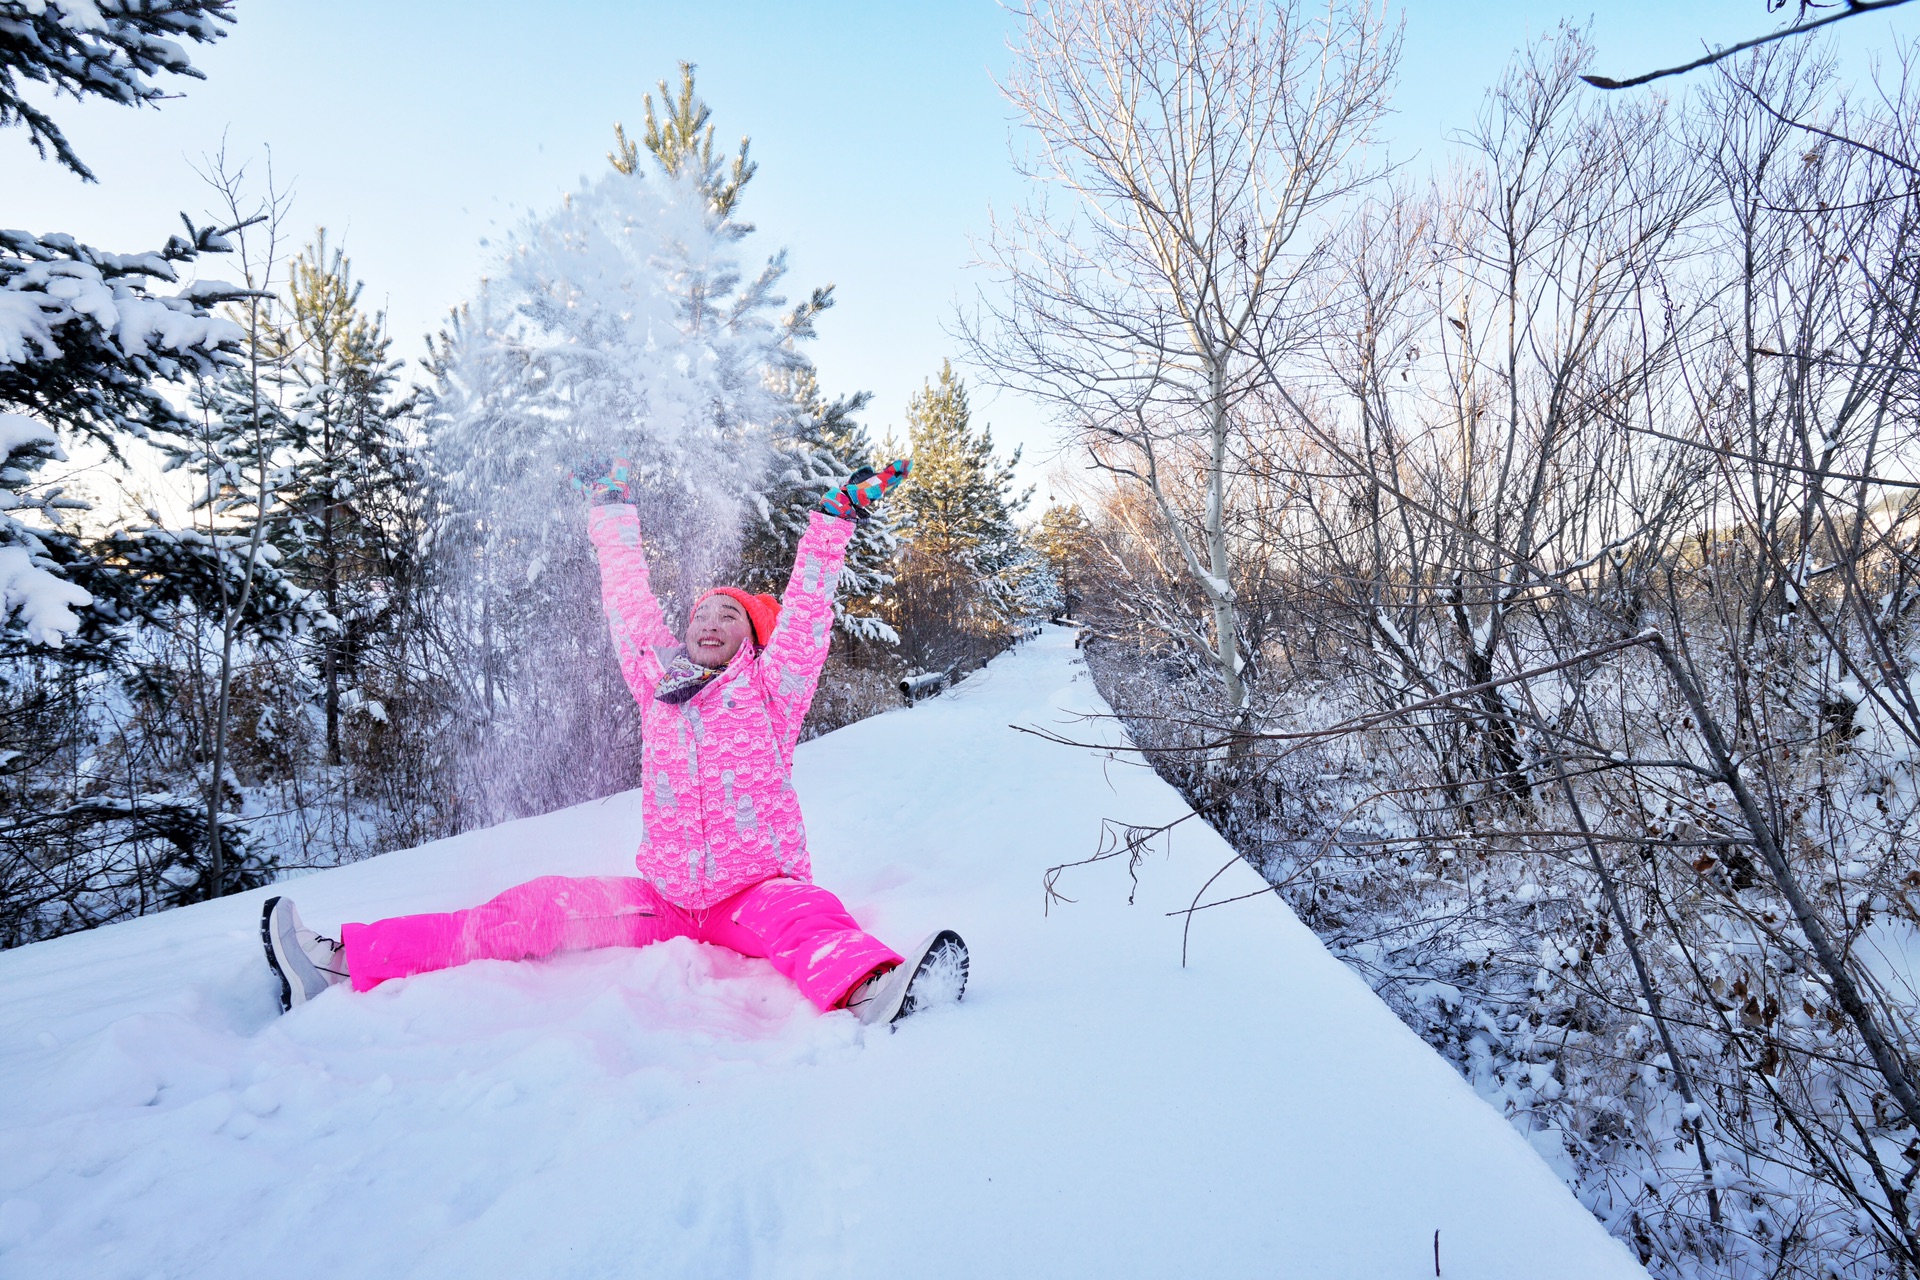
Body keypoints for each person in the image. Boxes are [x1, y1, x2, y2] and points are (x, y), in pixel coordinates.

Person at [261, 459, 967, 1026]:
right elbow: (630, 602)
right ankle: (340, 965)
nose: (711, 622)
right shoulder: (658, 682)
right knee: (529, 909)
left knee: (806, 917)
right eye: (702, 614)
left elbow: (808, 612)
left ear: (753, 639)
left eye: (732, 616)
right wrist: (611, 512)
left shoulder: (771, 692)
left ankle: (878, 989)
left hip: (754, 890)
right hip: (663, 896)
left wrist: (832, 523)